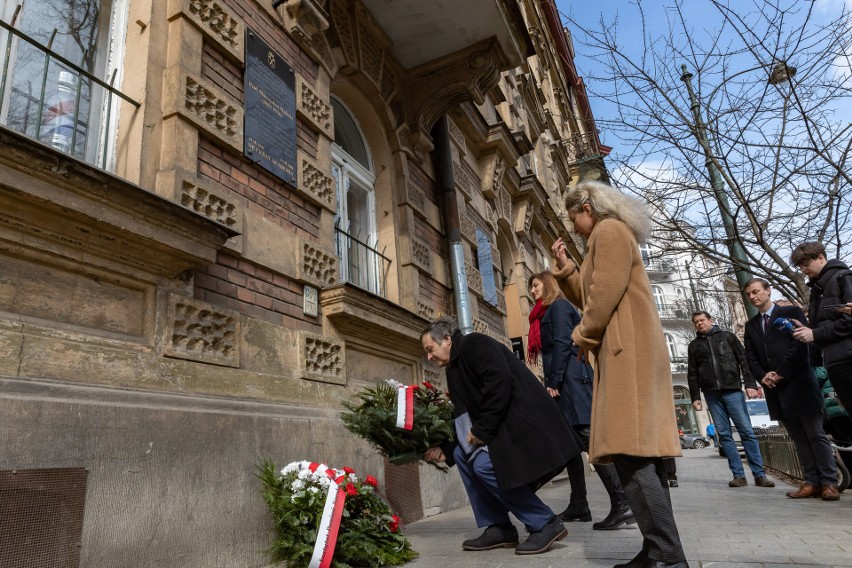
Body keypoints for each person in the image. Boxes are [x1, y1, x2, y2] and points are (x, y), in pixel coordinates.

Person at [551, 180, 688, 568]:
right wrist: (566, 269)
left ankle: (669, 557)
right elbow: (592, 292)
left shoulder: (609, 230)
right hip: (625, 351)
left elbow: (604, 296)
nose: (572, 224)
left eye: (572, 215)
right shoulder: (606, 236)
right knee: (636, 456)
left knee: (634, 455)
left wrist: (582, 334)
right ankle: (658, 550)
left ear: (587, 208)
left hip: (628, 353)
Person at [421, 317, 580, 555]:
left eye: (430, 350)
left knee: (485, 465)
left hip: (524, 423)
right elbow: (465, 415)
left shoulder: (474, 344)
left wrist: (483, 431)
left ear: (446, 339)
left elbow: (499, 383)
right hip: (501, 425)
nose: (429, 358)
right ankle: (499, 527)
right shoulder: (454, 368)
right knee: (461, 455)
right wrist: (447, 447)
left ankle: (545, 522)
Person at [527, 271, 635, 530]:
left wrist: (553, 381)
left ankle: (622, 503)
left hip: (573, 382)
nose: (532, 291)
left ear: (549, 284)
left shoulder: (560, 307)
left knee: (588, 439)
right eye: (530, 287)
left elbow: (564, 343)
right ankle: (579, 504)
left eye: (536, 285)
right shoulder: (545, 314)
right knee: (570, 445)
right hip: (566, 381)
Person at [742, 278, 839, 500]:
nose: (753, 297)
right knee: (797, 436)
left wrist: (781, 372)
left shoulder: (791, 312)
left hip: (799, 384)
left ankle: (829, 482)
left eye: (756, 292)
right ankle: (811, 481)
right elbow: (751, 356)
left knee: (815, 434)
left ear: (768, 291)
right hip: (775, 390)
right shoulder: (751, 326)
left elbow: (800, 344)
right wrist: (763, 376)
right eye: (749, 294)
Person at [686, 311, 775, 489]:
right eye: (696, 322)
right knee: (724, 435)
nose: (700, 324)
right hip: (711, 394)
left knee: (746, 432)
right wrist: (695, 397)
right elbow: (692, 373)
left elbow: (744, 361)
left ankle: (759, 475)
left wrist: (750, 384)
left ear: (711, 320)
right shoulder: (694, 345)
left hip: (733, 390)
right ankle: (738, 475)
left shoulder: (727, 337)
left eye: (702, 320)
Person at [788, 243, 852, 436]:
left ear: (821, 257)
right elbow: (825, 326)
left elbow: (849, 321)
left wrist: (815, 334)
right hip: (834, 362)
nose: (803, 269)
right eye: (799, 265)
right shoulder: (817, 289)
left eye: (805, 263)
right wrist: (809, 331)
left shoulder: (843, 278)